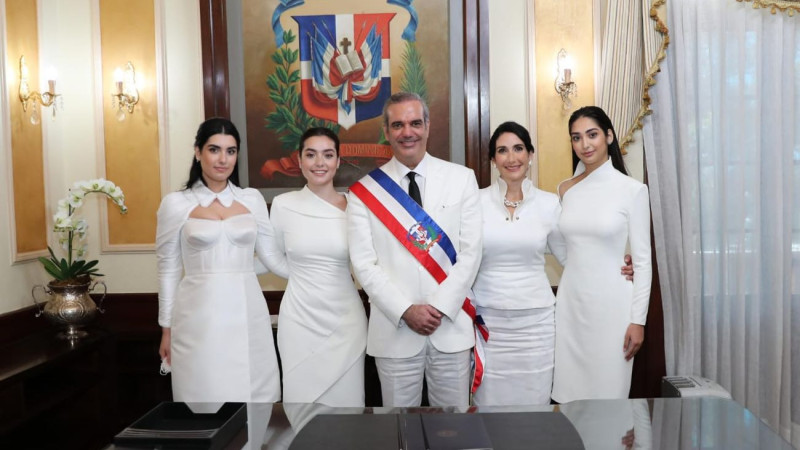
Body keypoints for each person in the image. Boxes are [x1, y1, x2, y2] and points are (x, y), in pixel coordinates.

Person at [472, 121, 633, 406]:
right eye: (503, 151)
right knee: (489, 408)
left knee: (535, 407)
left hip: (537, 325)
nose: (512, 158)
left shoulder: (550, 204)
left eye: (519, 149)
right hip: (489, 323)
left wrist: (617, 264)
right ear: (493, 160)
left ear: (531, 154)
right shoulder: (474, 202)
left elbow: (573, 257)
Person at [347, 92, 482, 407]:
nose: (407, 132)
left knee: (453, 432)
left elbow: (471, 253)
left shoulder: (461, 179)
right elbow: (364, 265)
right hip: (394, 332)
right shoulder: (363, 193)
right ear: (386, 131)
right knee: (399, 430)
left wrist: (438, 307)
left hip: (450, 326)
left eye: (414, 123)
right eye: (398, 125)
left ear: (427, 126)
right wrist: (406, 310)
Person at [156, 117, 280, 403]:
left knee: (255, 396)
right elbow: (168, 269)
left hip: (248, 312)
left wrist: (314, 265)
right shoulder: (175, 204)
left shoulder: (252, 199)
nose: (223, 159)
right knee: (204, 396)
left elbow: (269, 259)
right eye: (214, 150)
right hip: (198, 317)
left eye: (231, 151)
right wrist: (166, 329)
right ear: (198, 152)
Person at [551, 106, 652, 403]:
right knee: (569, 399)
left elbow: (644, 263)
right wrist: (582, 269)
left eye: (592, 134)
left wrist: (638, 321)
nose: (585, 144)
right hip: (570, 308)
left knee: (609, 400)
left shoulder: (632, 190)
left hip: (614, 312)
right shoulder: (565, 189)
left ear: (608, 136)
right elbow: (561, 245)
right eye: (576, 137)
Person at [264, 127, 367, 407]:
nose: (319, 163)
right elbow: (270, 258)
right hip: (299, 322)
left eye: (327, 155)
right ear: (299, 160)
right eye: (311, 155)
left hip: (346, 322)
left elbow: (369, 264)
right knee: (301, 408)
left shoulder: (356, 207)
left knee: (347, 411)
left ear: (338, 161)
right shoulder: (283, 205)